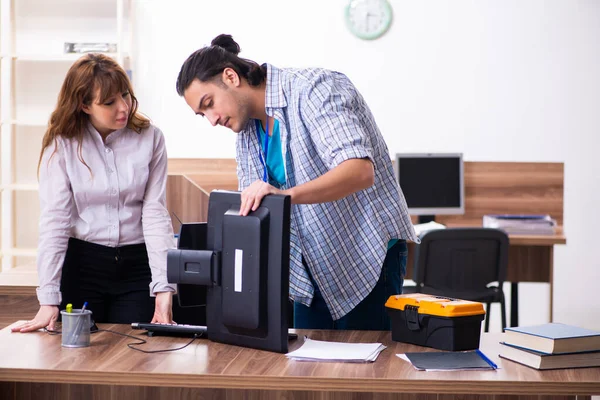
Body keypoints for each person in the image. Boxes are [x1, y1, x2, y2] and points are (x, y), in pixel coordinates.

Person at [175, 34, 418, 330]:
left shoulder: (315, 89)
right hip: (310, 271)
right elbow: (258, 207)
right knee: (309, 369)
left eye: (209, 103)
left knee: (362, 368)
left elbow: (359, 171)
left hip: (364, 256)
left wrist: (284, 195)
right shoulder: (247, 134)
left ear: (230, 76)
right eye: (203, 115)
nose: (212, 120)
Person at [12, 53, 176, 333]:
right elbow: (55, 220)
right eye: (109, 102)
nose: (123, 107)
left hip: (137, 267)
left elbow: (155, 214)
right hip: (82, 266)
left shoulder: (150, 138)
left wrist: (163, 289)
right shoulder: (62, 144)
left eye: (125, 95)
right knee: (75, 357)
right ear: (84, 104)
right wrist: (49, 298)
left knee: (134, 356)